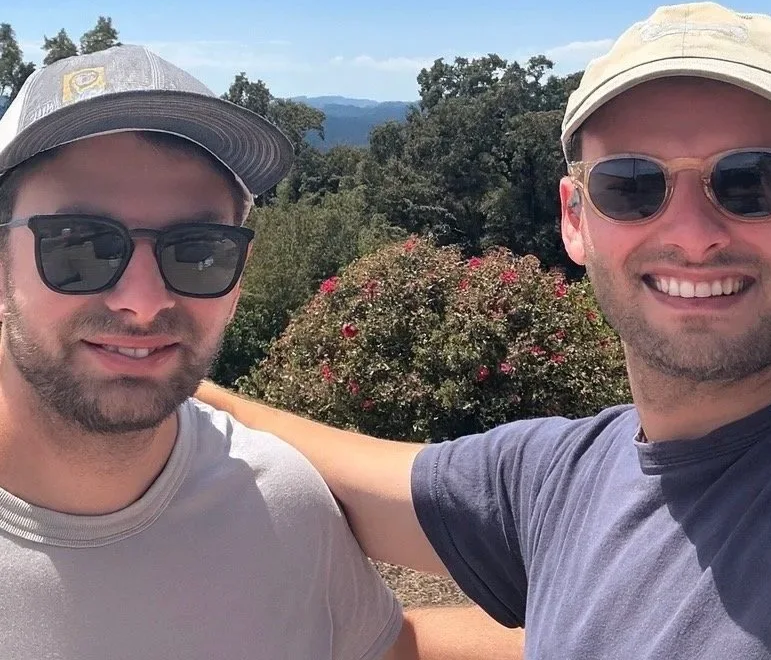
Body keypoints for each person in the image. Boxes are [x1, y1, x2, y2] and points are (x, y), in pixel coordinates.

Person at [199, 0, 771, 660]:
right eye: (631, 184)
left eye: (752, 180)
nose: (693, 234)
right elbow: (311, 465)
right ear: (574, 218)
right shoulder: (559, 479)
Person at [0, 45, 522, 660]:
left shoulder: (281, 506)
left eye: (198, 251)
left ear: (240, 272)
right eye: (79, 247)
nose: (141, 301)